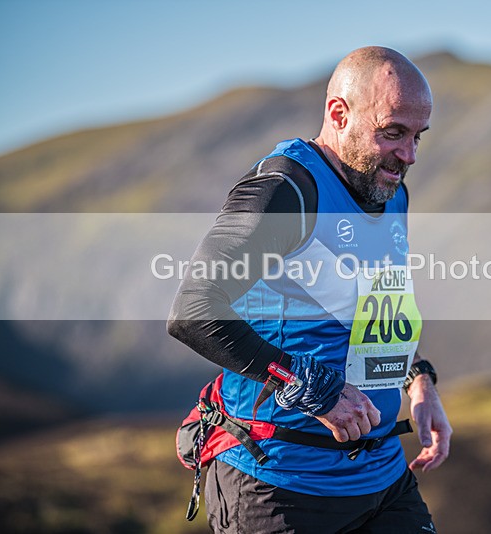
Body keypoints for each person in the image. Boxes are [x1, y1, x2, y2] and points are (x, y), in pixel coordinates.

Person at [168, 46, 451, 534]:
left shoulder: (390, 190)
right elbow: (194, 311)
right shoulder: (285, 190)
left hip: (381, 477)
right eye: (393, 133)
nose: (408, 155)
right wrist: (313, 389)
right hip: (277, 482)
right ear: (339, 113)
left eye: (417, 136)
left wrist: (418, 380)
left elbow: (377, 307)